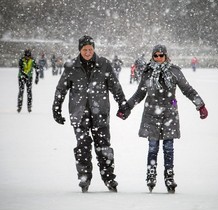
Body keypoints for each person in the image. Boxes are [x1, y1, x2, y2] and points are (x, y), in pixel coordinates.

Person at [117, 44, 208, 193]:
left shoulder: (174, 71)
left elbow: (188, 90)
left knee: (168, 147)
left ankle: (169, 176)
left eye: (161, 55)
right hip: (151, 113)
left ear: (166, 56)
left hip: (169, 114)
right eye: (156, 55)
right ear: (152, 56)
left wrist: (200, 105)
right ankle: (151, 174)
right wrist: (126, 108)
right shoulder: (147, 72)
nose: (159, 58)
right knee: (153, 147)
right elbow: (140, 94)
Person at [52, 35, 128, 193]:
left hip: (100, 113)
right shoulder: (71, 66)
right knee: (83, 147)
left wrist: (122, 103)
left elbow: (115, 86)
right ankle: (84, 178)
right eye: (85, 49)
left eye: (90, 49)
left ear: (94, 49)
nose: (88, 52)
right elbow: (61, 88)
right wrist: (56, 108)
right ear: (80, 50)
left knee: (104, 147)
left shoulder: (104, 64)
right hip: (79, 114)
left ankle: (109, 178)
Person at [17, 49, 39, 113]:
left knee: (29, 92)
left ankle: (29, 107)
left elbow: (37, 68)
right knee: (21, 91)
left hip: (29, 78)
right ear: (24, 55)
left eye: (28, 56)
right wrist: (24, 75)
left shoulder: (32, 60)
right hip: (21, 77)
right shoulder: (21, 60)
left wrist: (37, 77)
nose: (27, 57)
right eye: (26, 56)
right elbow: (21, 69)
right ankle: (19, 106)